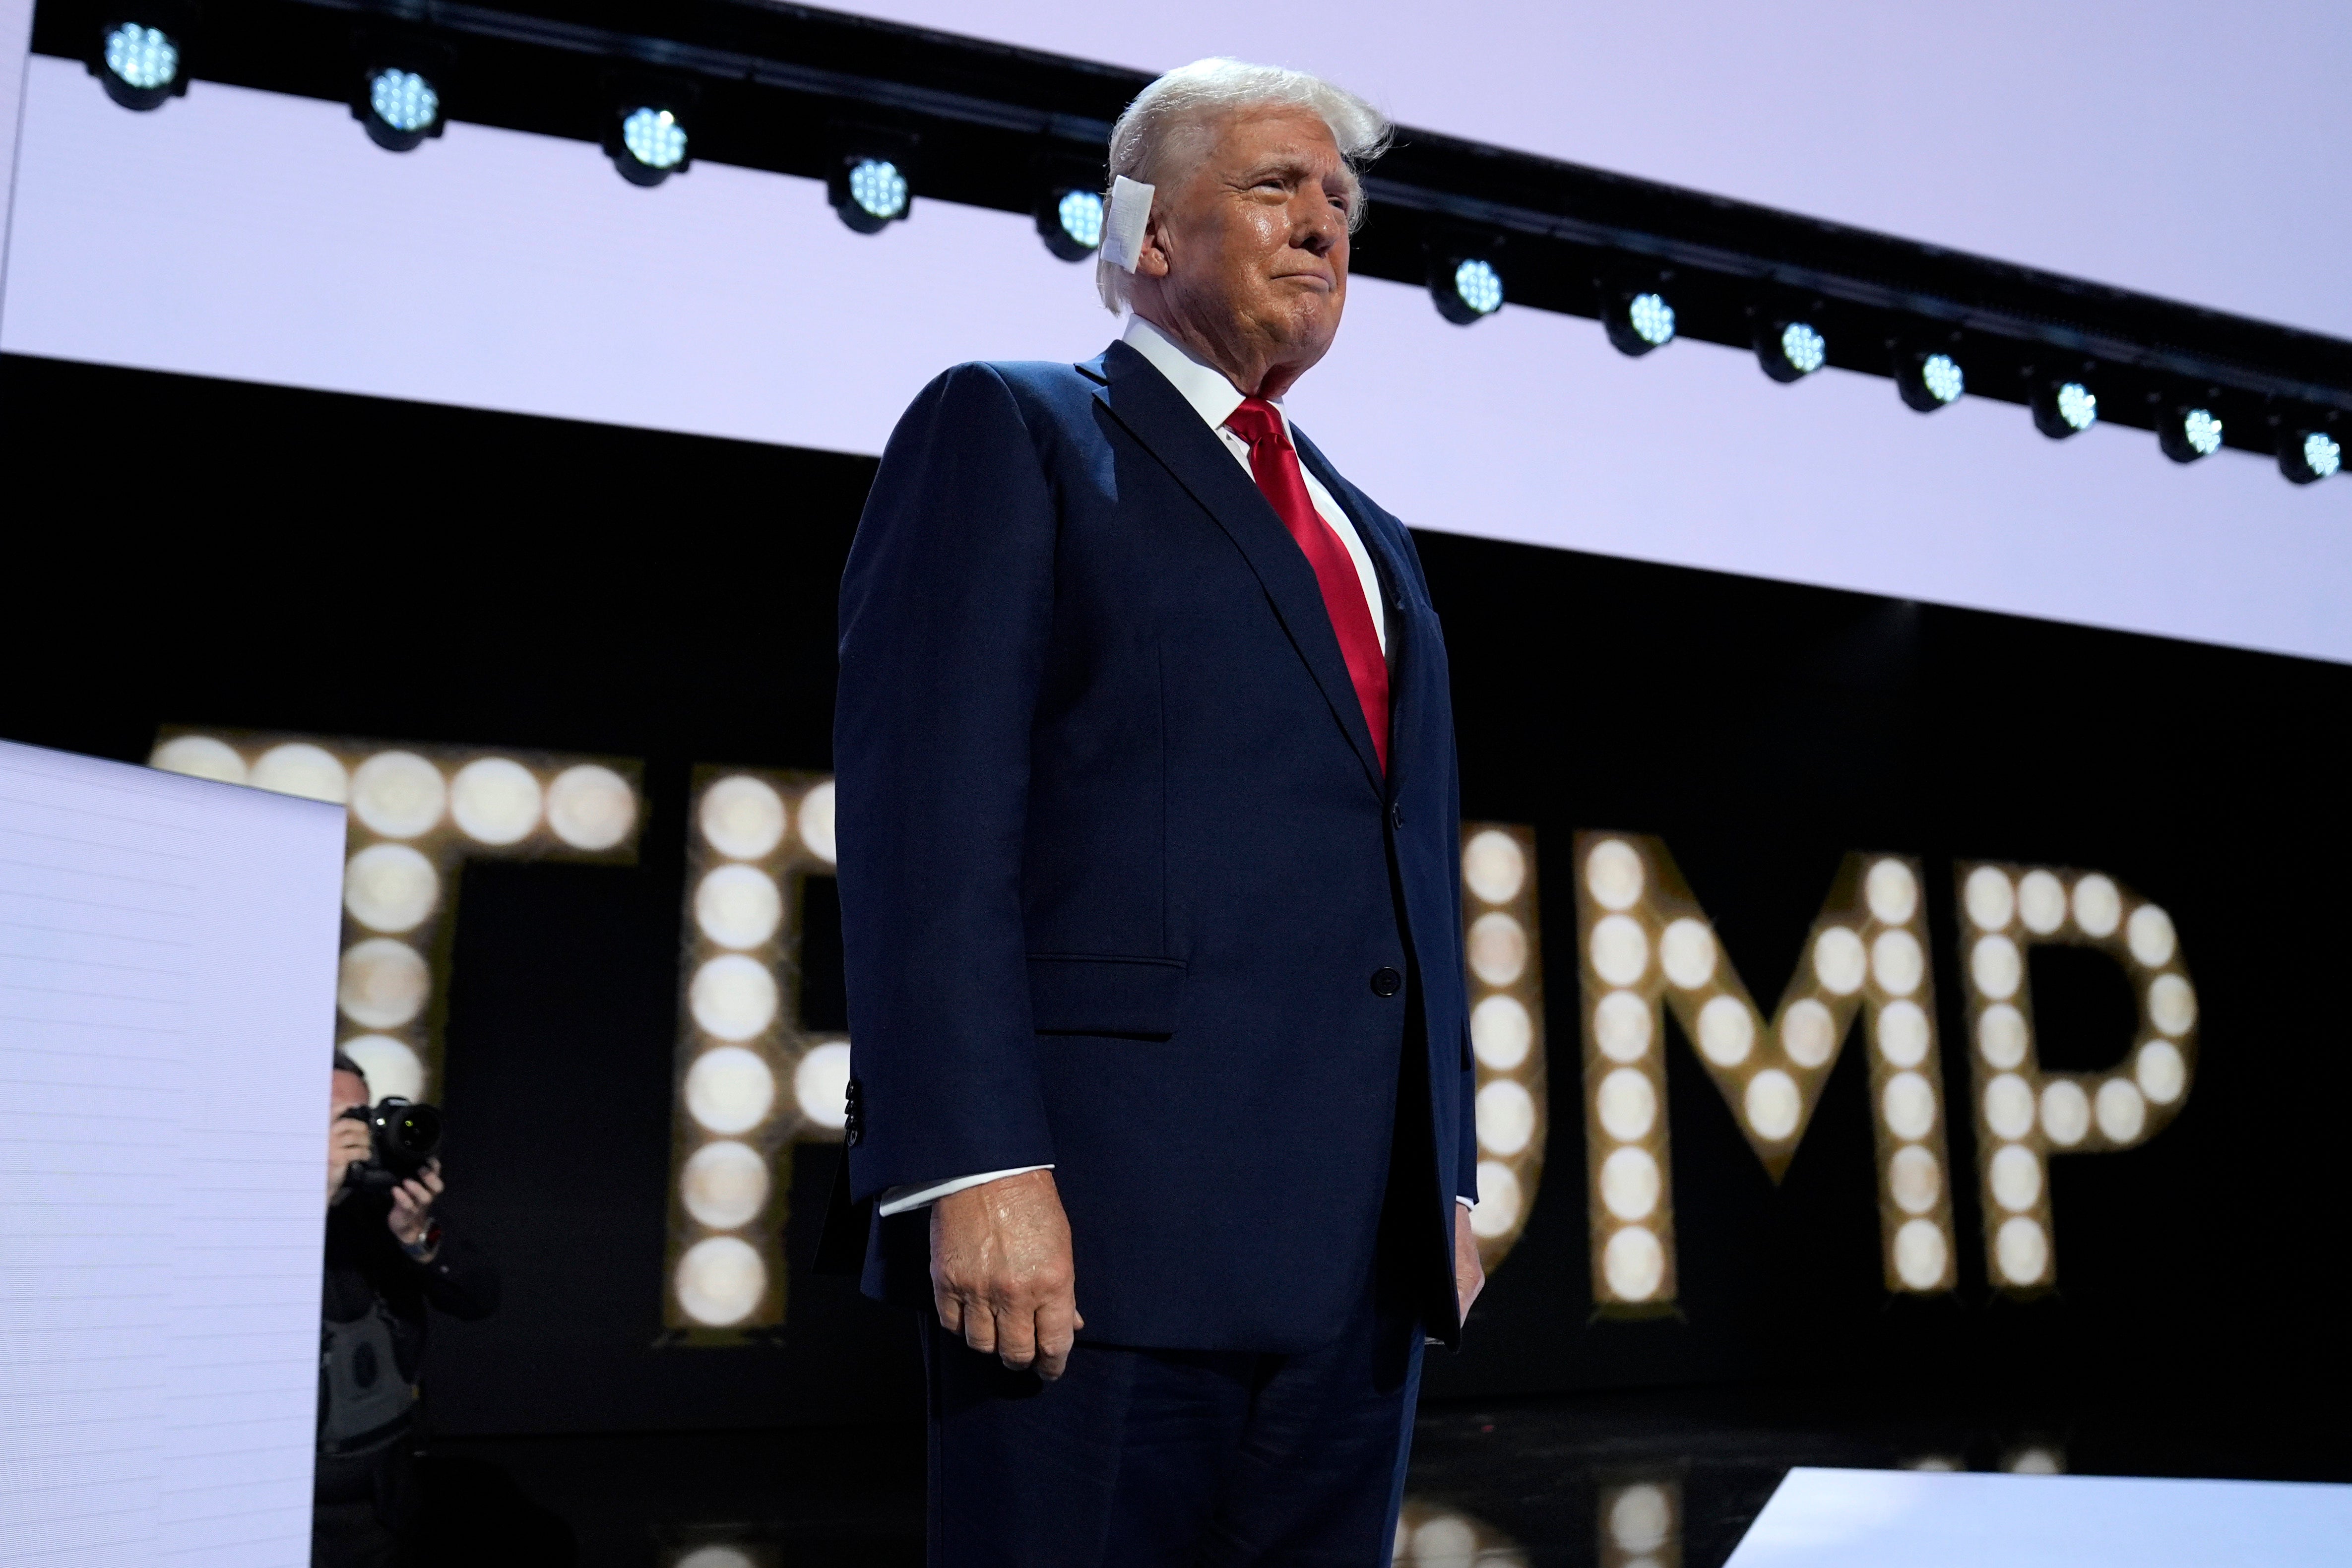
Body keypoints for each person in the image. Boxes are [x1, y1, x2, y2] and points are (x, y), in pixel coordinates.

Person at [834, 56, 1482, 1566]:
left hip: (1350, 1264)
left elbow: (1401, 877)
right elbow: (925, 826)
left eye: (1339, 200)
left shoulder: (1368, 532)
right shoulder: (1011, 429)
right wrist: (974, 1162)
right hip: (1099, 1241)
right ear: (1143, 233)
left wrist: (1435, 1169)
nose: (1322, 223)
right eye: (1273, 185)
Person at [315, 1054, 499, 1568]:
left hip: (384, 1497)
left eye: (358, 1114)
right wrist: (313, 1197)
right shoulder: (245, 1205)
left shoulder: (385, 1200)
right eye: (332, 1117)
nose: (350, 1130)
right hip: (288, 1499)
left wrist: (418, 1237)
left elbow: (480, 1296)